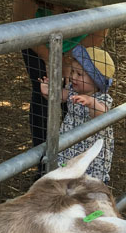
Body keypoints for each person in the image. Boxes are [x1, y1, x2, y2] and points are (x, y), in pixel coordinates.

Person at [12, 0, 113, 151]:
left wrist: (69, 61)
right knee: (44, 95)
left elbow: (98, 35)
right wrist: (49, 58)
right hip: (39, 40)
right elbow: (20, 28)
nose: (65, 3)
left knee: (78, 94)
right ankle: (43, 162)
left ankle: (74, 154)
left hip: (80, 42)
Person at [40, 45, 115, 184]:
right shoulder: (73, 92)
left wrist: (91, 103)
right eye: (73, 71)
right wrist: (48, 91)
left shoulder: (102, 98)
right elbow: (58, 97)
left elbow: (102, 116)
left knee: (86, 181)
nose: (73, 76)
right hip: (70, 143)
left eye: (79, 74)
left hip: (89, 148)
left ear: (95, 80)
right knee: (65, 173)